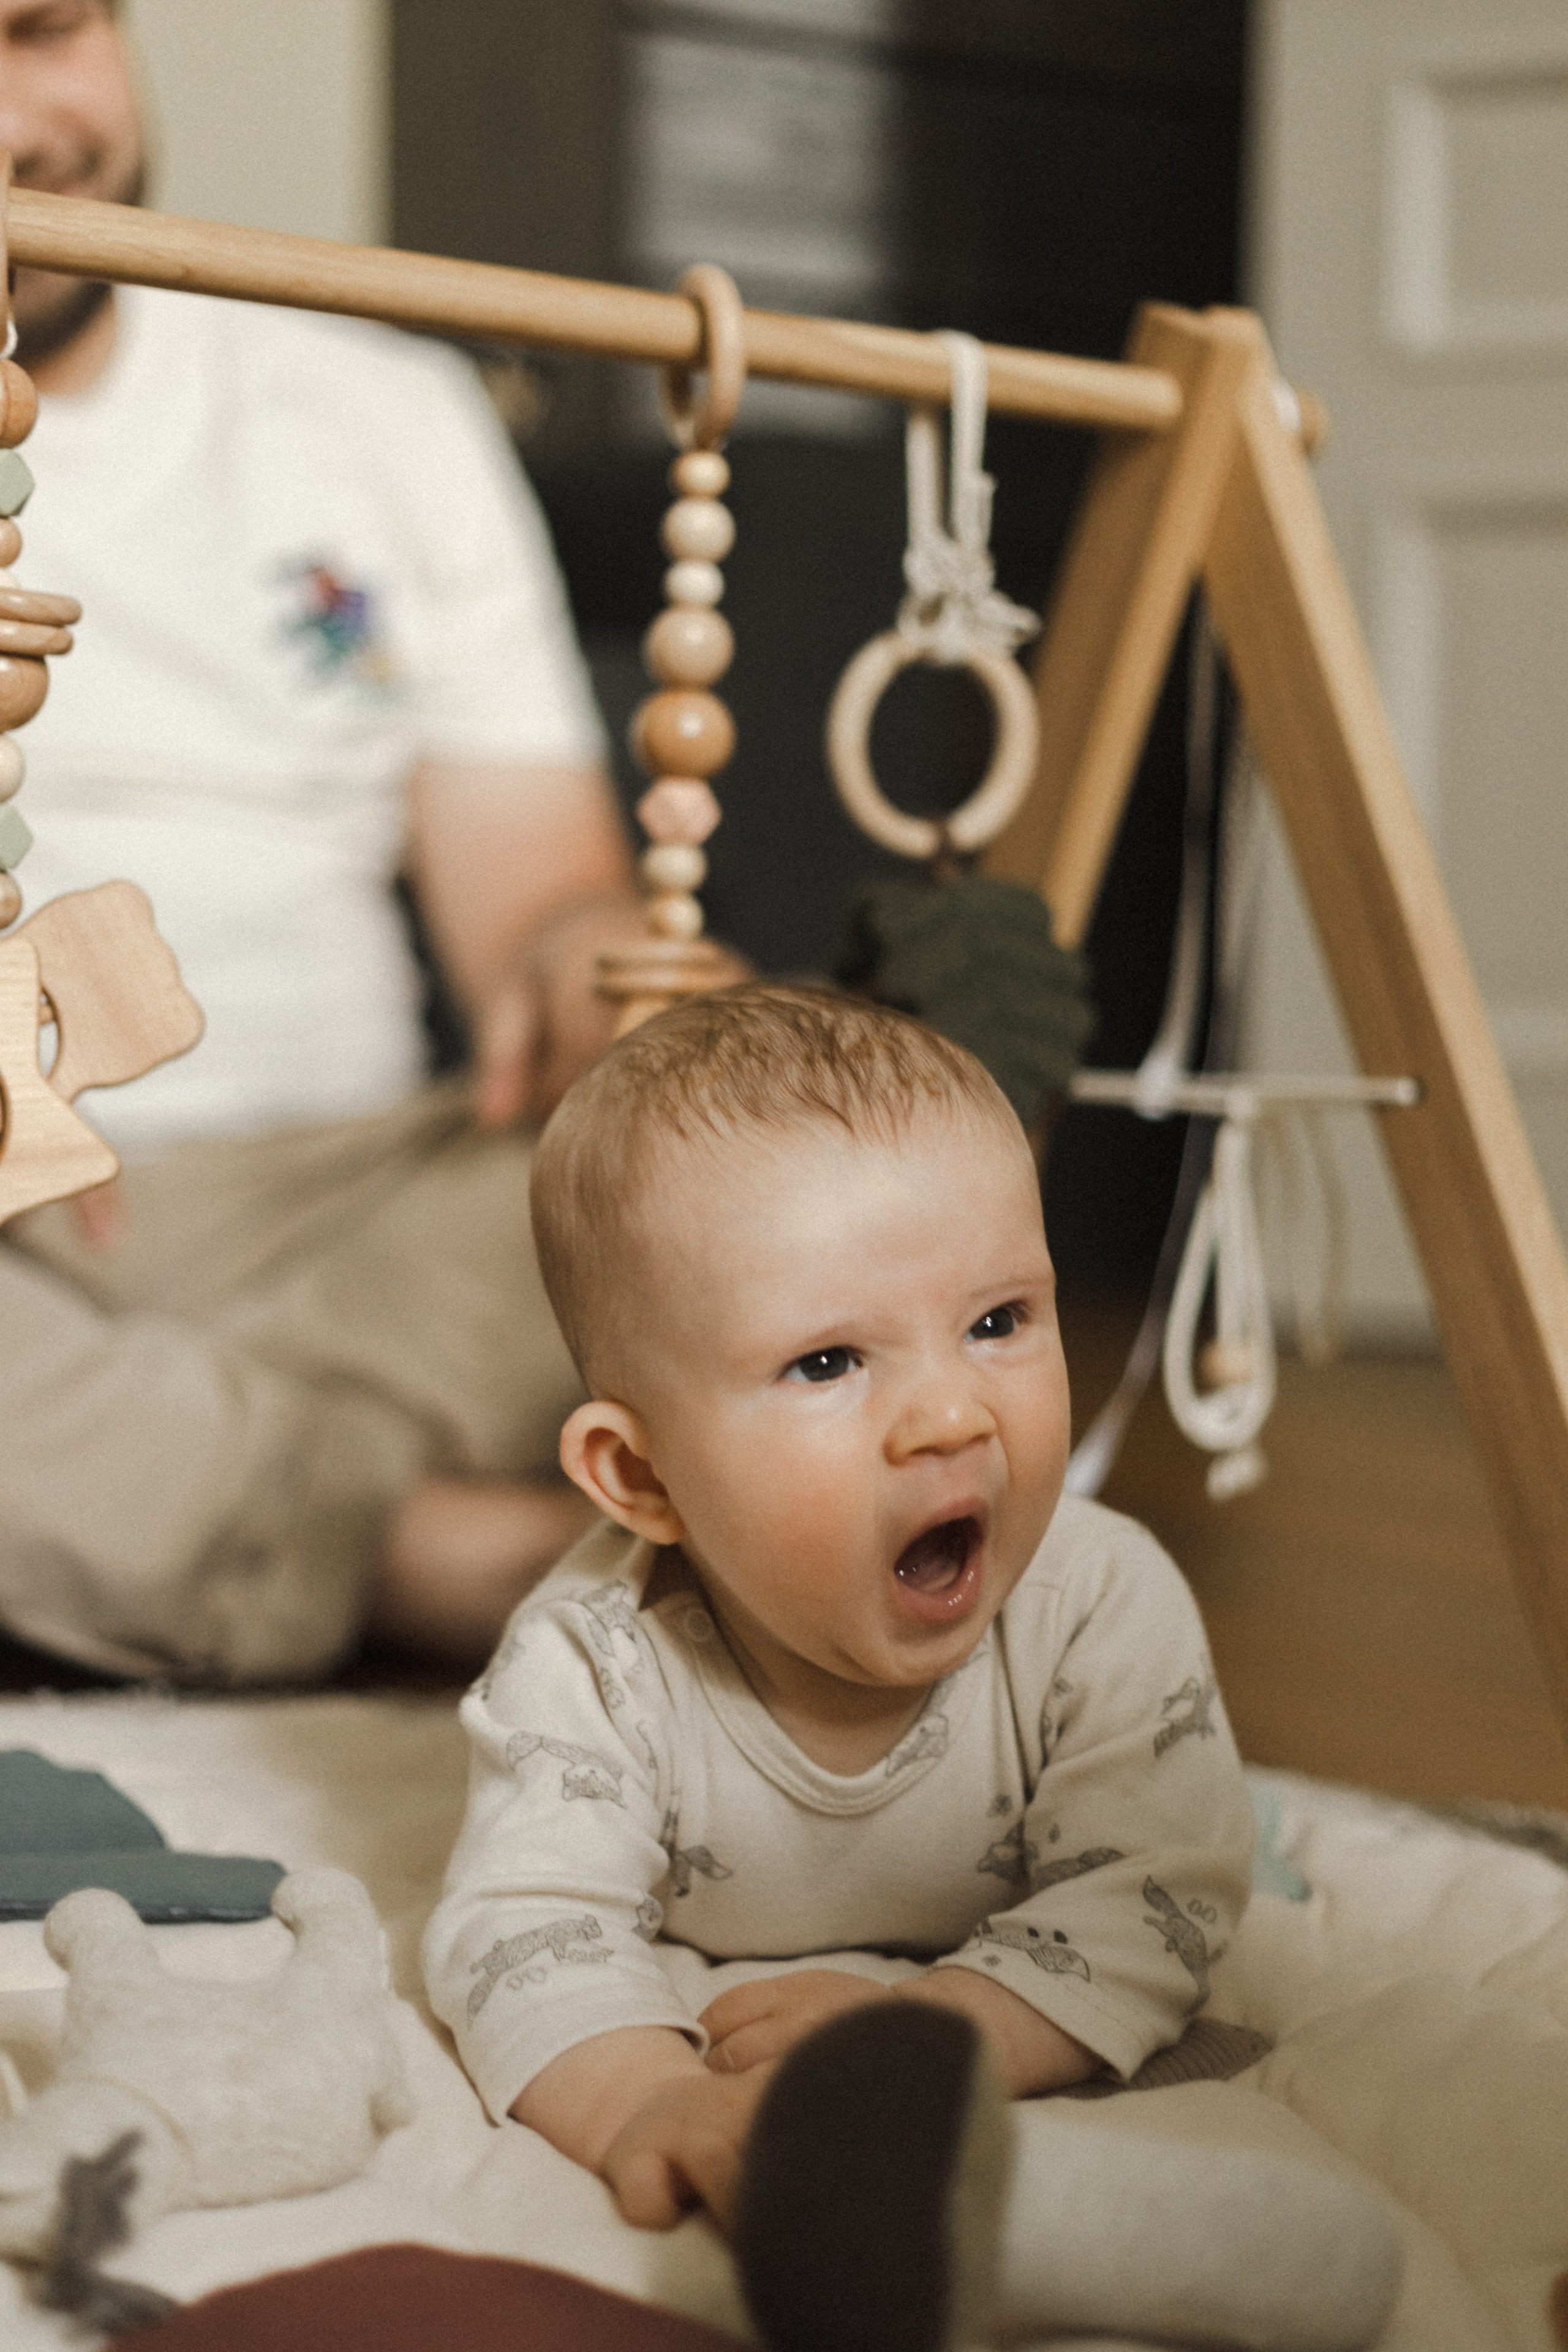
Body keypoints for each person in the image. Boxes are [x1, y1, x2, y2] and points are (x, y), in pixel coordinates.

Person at [0, 0, 663, 1680]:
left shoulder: (377, 402)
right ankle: (445, 1558)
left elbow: (542, 907)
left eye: (39, 33)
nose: (20, 130)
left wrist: (617, 983)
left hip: (374, 1205)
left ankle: (189, 1504)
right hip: (21, 1239)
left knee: (771, 1164)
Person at [421, 986, 1257, 2243]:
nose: (952, 1416)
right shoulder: (595, 1659)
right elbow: (520, 1928)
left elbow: (1161, 1890)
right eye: (827, 1362)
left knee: (1198, 1809)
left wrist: (952, 2027)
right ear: (643, 1479)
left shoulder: (1092, 1600)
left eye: (996, 1322)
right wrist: (643, 2098)